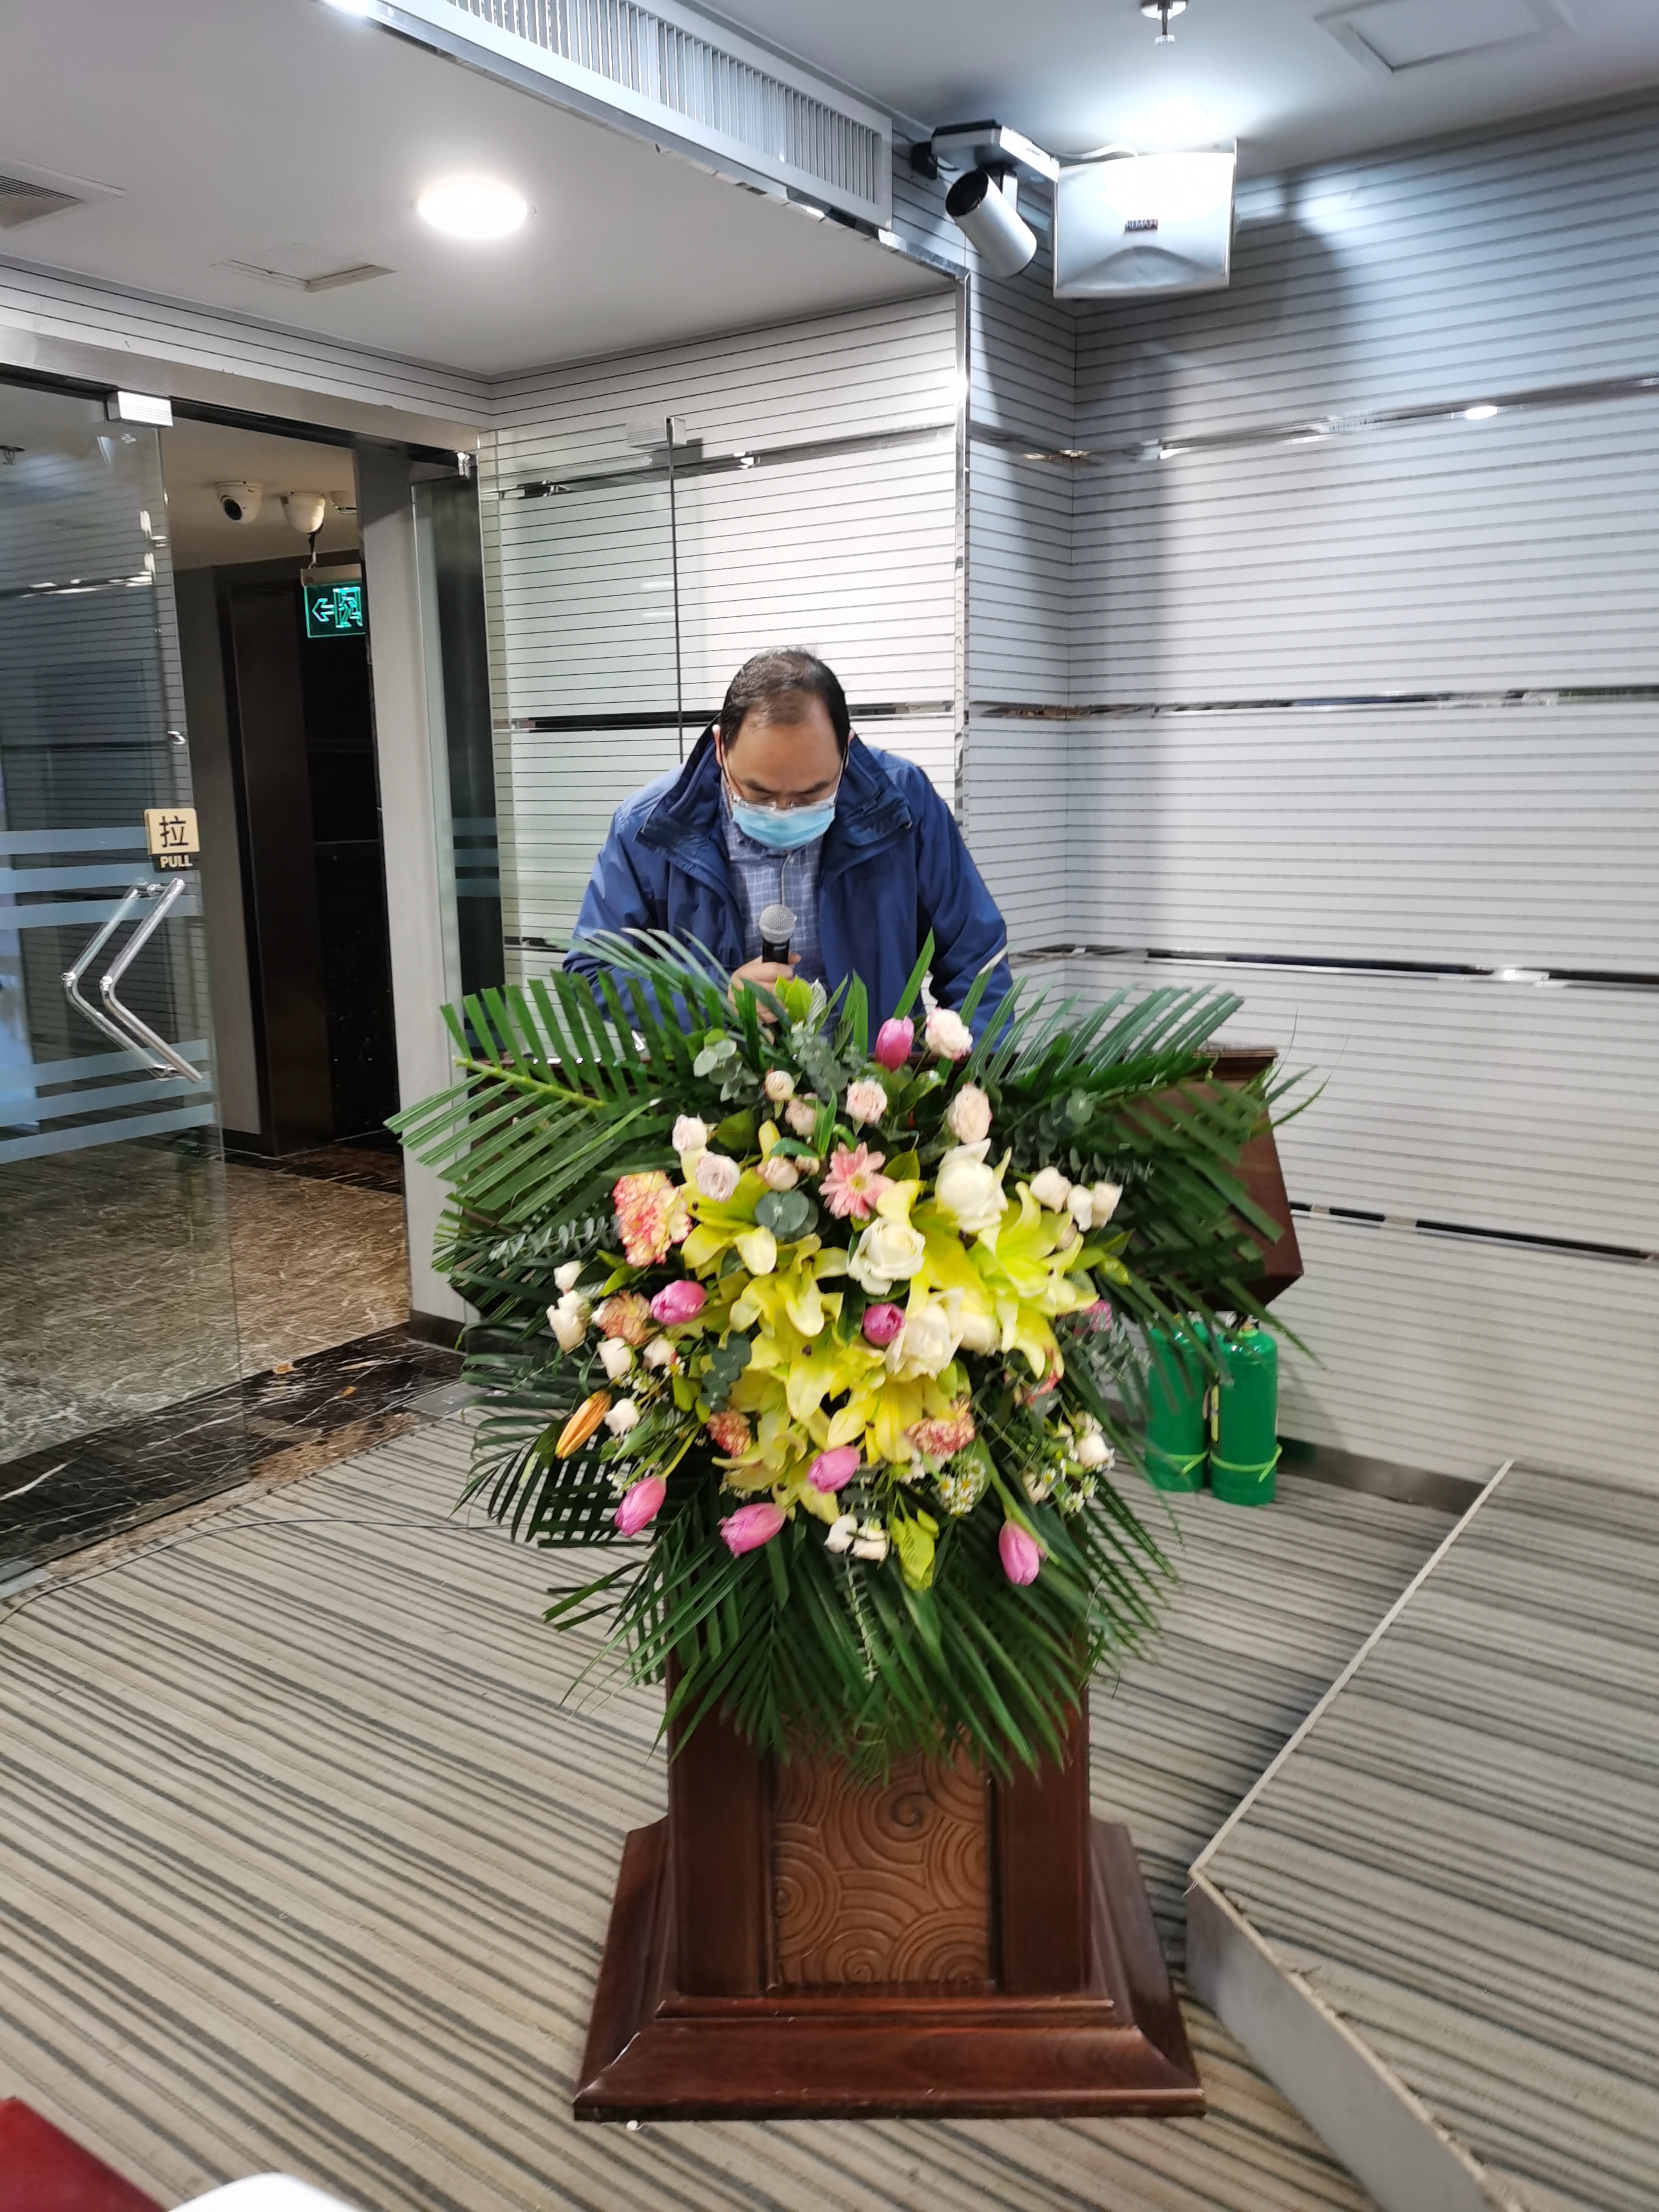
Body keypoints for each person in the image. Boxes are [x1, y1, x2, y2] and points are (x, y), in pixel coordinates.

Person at [566, 649, 1011, 1032]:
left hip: (875, 1092)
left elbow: (976, 957)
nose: (783, 811)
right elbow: (591, 973)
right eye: (758, 793)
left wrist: (971, 1082)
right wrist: (714, 997)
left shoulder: (902, 804)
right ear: (721, 748)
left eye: (812, 794)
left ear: (847, 748)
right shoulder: (650, 825)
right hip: (716, 1096)